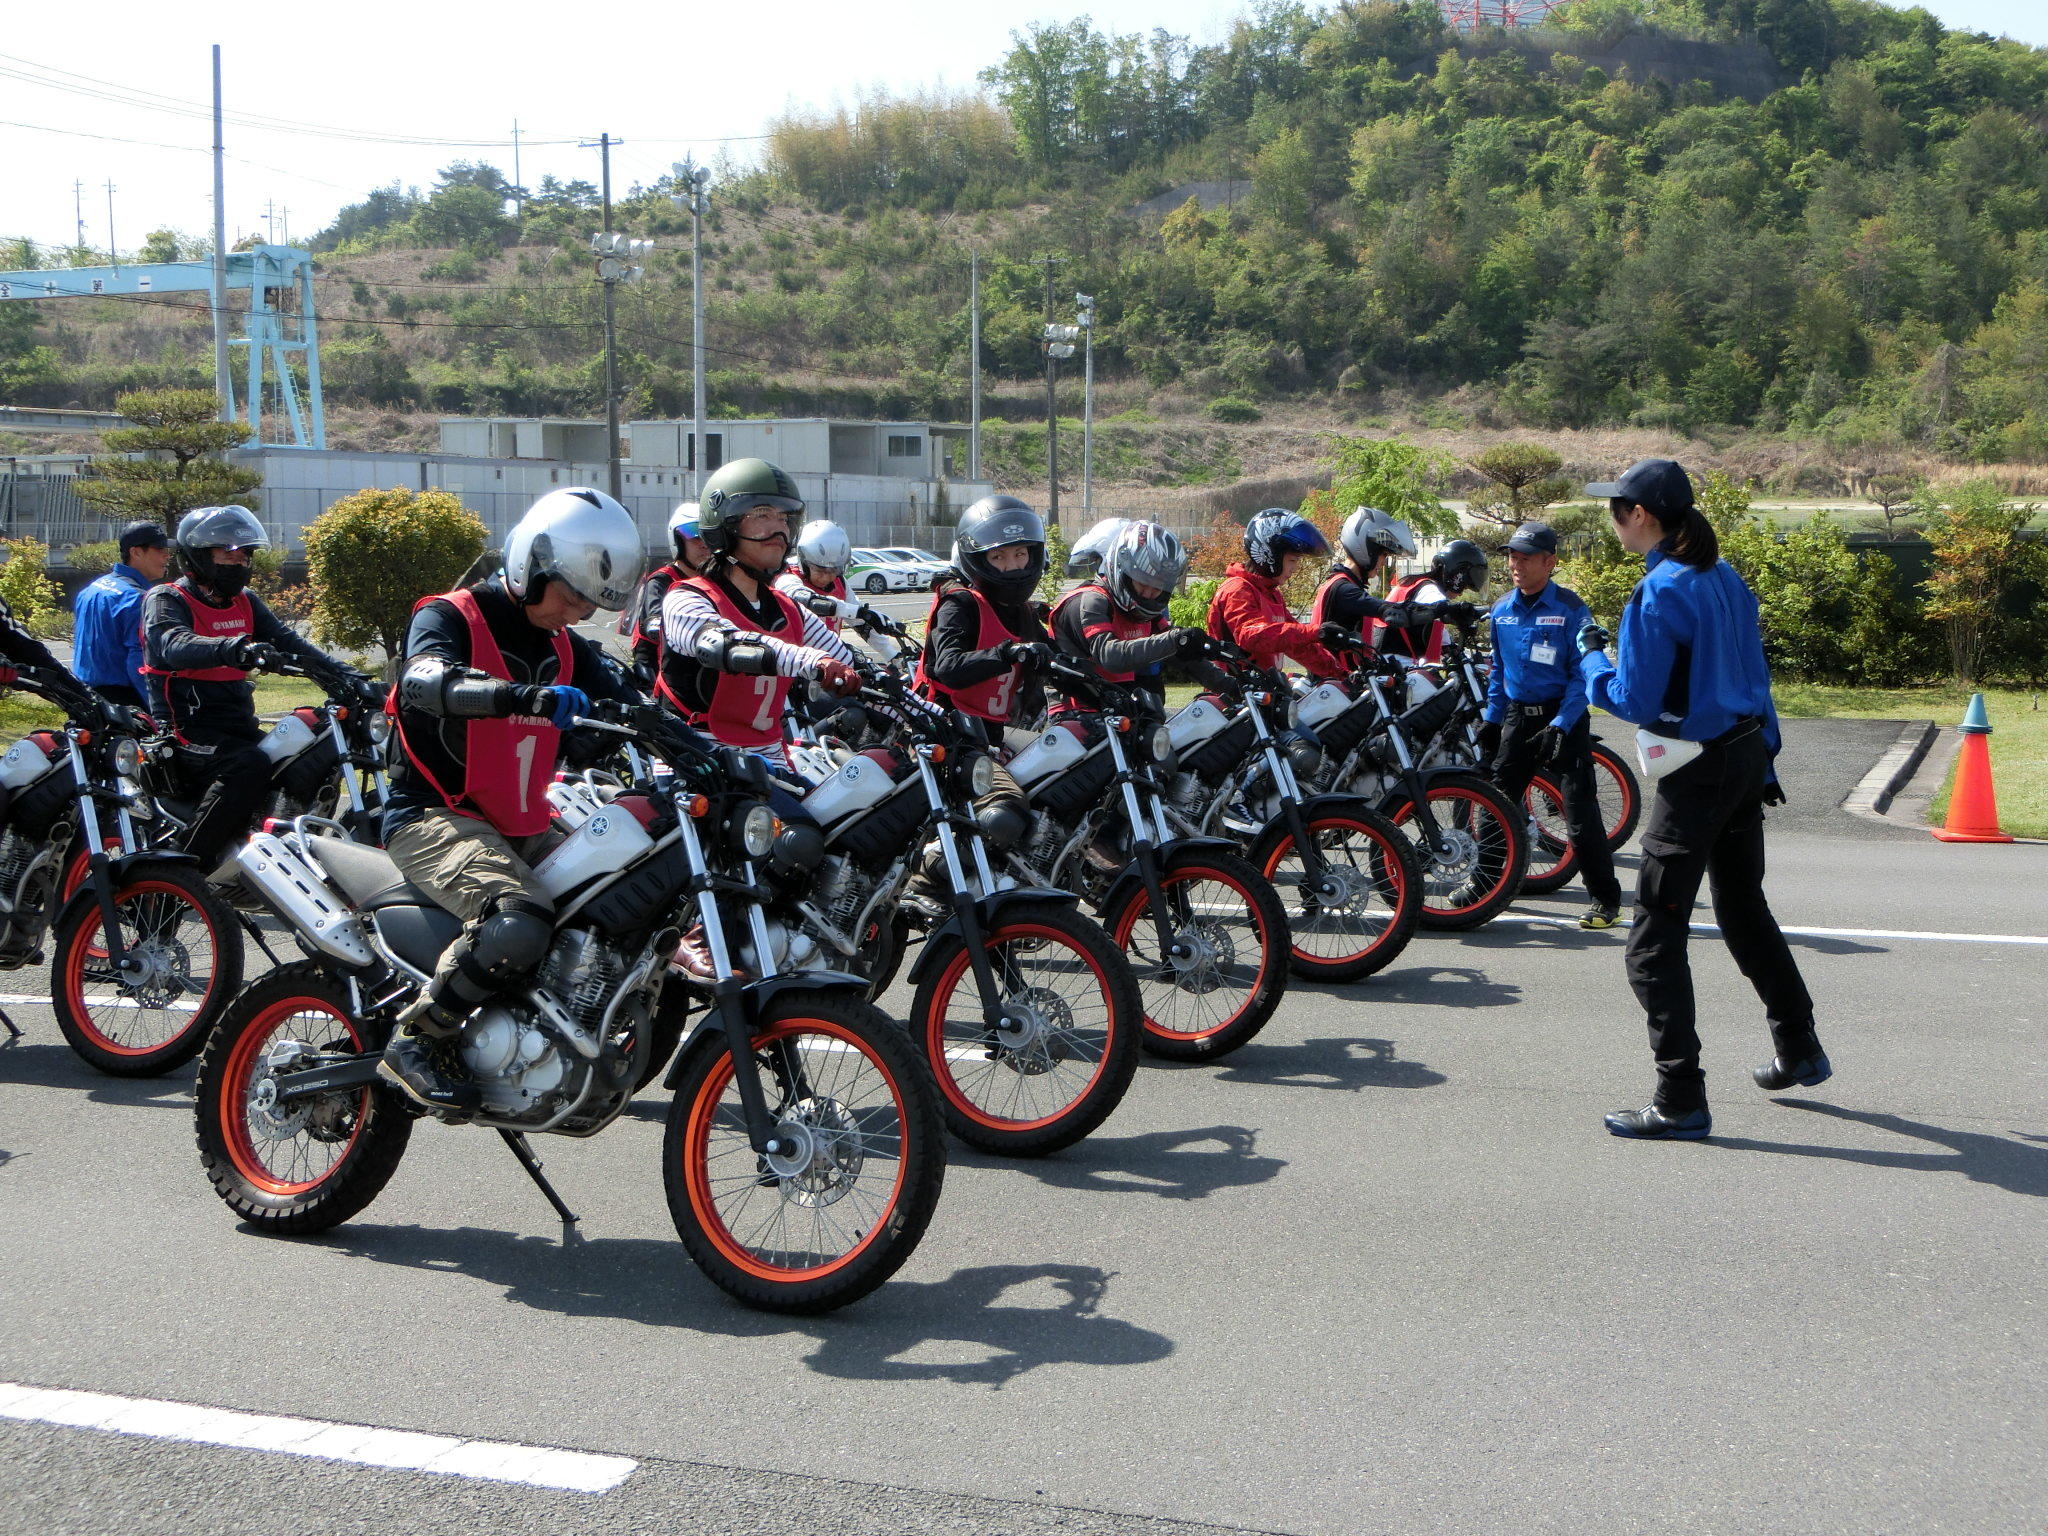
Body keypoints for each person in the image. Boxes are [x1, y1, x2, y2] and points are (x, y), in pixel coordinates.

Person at [1575, 458, 1824, 1141]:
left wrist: (1591, 658)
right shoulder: (1722, 575)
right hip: (1744, 754)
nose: (1613, 519)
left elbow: (1633, 699)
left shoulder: (1660, 593)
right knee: (1744, 909)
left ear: (1644, 518)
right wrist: (1763, 759)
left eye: (1617, 509)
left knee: (1652, 939)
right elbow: (1755, 673)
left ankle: (1679, 1096)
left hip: (1701, 770)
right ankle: (1798, 1045)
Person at [380, 486, 645, 1110]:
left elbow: (637, 704)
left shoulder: (567, 647)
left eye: (591, 604)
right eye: (573, 596)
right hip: (433, 815)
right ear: (532, 564)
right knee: (518, 920)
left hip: (522, 821)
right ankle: (418, 1036)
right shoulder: (448, 617)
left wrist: (705, 749)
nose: (579, 613)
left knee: (622, 891)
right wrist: (520, 697)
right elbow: (423, 681)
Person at [140, 506, 368, 876]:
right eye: (227, 552)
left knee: (300, 753)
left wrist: (353, 678)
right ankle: (184, 870)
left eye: (245, 553)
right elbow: (172, 643)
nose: (240, 560)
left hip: (238, 726)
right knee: (248, 766)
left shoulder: (244, 600)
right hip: (187, 732)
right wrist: (234, 648)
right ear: (198, 555)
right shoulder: (167, 599)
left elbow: (291, 643)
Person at [656, 459, 862, 768]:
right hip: (698, 762)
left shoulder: (789, 610)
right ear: (725, 524)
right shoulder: (687, 597)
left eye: (784, 517)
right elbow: (725, 644)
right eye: (762, 514)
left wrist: (920, 708)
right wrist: (814, 662)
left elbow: (848, 662)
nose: (779, 528)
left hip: (769, 759)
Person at [1480, 520, 1624, 931]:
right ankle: (1485, 886)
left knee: (1579, 814)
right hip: (1515, 719)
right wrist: (1491, 721)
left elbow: (1583, 675)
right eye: (1512, 557)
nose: (1516, 565)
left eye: (1526, 558)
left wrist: (1561, 723)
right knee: (1495, 806)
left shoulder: (1571, 608)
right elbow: (1498, 670)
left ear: (1550, 562)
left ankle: (1604, 900)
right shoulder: (1502, 609)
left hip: (1563, 721)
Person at [914, 494, 1054, 743]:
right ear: (979, 560)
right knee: (1006, 785)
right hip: (946, 733)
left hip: (990, 734)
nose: (1013, 566)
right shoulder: (959, 604)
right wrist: (1009, 653)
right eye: (998, 557)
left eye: (1020, 554)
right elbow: (949, 667)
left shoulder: (1023, 612)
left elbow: (1055, 655)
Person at [1049, 520, 1215, 713]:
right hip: (1076, 714)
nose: (1149, 592)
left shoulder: (1143, 614)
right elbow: (1110, 656)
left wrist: (1231, 685)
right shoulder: (1091, 601)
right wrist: (1174, 640)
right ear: (1122, 569)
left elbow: (1182, 655)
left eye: (1158, 585)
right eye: (1143, 581)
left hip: (1117, 712)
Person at [1307, 506, 1472, 673]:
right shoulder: (1343, 589)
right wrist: (1441, 609)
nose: (1384, 563)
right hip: (1335, 685)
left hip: (1341, 684)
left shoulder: (1341, 583)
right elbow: (1386, 609)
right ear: (1366, 549)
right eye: (1384, 555)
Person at [1206, 509, 1340, 679]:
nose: (1295, 568)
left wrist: (1341, 674)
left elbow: (1297, 645)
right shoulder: (1237, 589)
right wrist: (1315, 632)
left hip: (1263, 695)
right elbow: (1251, 636)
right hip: (1234, 696)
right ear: (1270, 556)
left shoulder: (1271, 593)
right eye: (1292, 560)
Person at [73, 521, 171, 710]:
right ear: (136, 552)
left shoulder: (92, 588)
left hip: (83, 695)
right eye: (159, 549)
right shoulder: (138, 598)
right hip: (124, 699)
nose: (167, 555)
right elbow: (139, 663)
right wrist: (159, 710)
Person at [620, 502, 707, 686]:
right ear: (677, 540)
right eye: (693, 534)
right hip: (661, 675)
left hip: (699, 673)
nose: (703, 543)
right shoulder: (660, 582)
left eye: (708, 535)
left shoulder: (714, 582)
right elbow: (653, 623)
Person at [1375, 538, 1488, 663]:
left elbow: (1444, 641)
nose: (1461, 593)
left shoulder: (1414, 583)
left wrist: (1452, 649)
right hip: (1398, 664)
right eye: (1464, 586)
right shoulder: (1429, 590)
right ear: (1457, 575)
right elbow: (1443, 611)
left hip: (1385, 660)